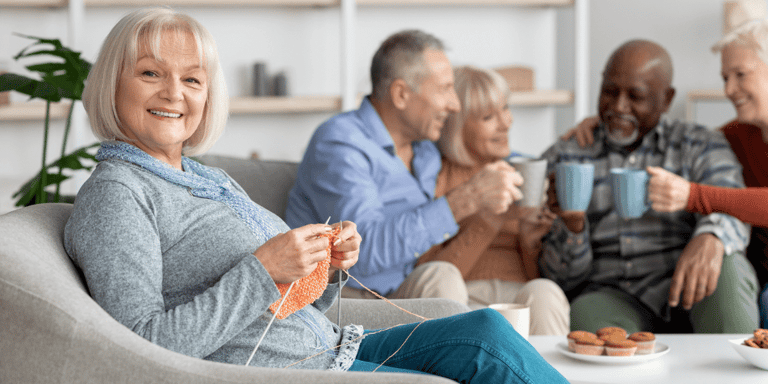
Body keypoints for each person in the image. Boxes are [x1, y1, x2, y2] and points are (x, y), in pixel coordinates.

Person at [64, 8, 568, 383]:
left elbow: (282, 304)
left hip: (330, 344)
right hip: (299, 369)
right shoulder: (118, 195)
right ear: (112, 84)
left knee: (485, 332)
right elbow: (137, 349)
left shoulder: (204, 177)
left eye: (192, 79)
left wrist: (326, 267)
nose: (175, 93)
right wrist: (263, 270)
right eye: (151, 73)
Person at [285, 30, 524, 304]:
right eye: (446, 89)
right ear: (401, 94)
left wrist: (564, 151)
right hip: (352, 297)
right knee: (441, 277)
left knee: (532, 297)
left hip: (409, 289)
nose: (454, 104)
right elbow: (362, 253)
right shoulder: (340, 145)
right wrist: (466, 199)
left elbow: (481, 149)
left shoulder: (425, 146)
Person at [541, 39, 757, 334]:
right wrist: (573, 229)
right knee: (585, 313)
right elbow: (560, 278)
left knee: (728, 266)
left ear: (666, 99)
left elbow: (733, 203)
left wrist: (712, 236)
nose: (619, 106)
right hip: (611, 295)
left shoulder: (699, 143)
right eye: (610, 91)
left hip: (690, 288)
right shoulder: (568, 155)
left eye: (635, 96)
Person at [415, 65, 569, 335]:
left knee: (546, 291)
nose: (506, 122)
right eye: (488, 117)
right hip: (462, 293)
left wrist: (529, 241)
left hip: (518, 293)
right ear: (458, 127)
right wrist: (491, 219)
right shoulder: (437, 176)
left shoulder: (522, 171)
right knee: (442, 278)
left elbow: (534, 275)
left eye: (506, 109)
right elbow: (429, 272)